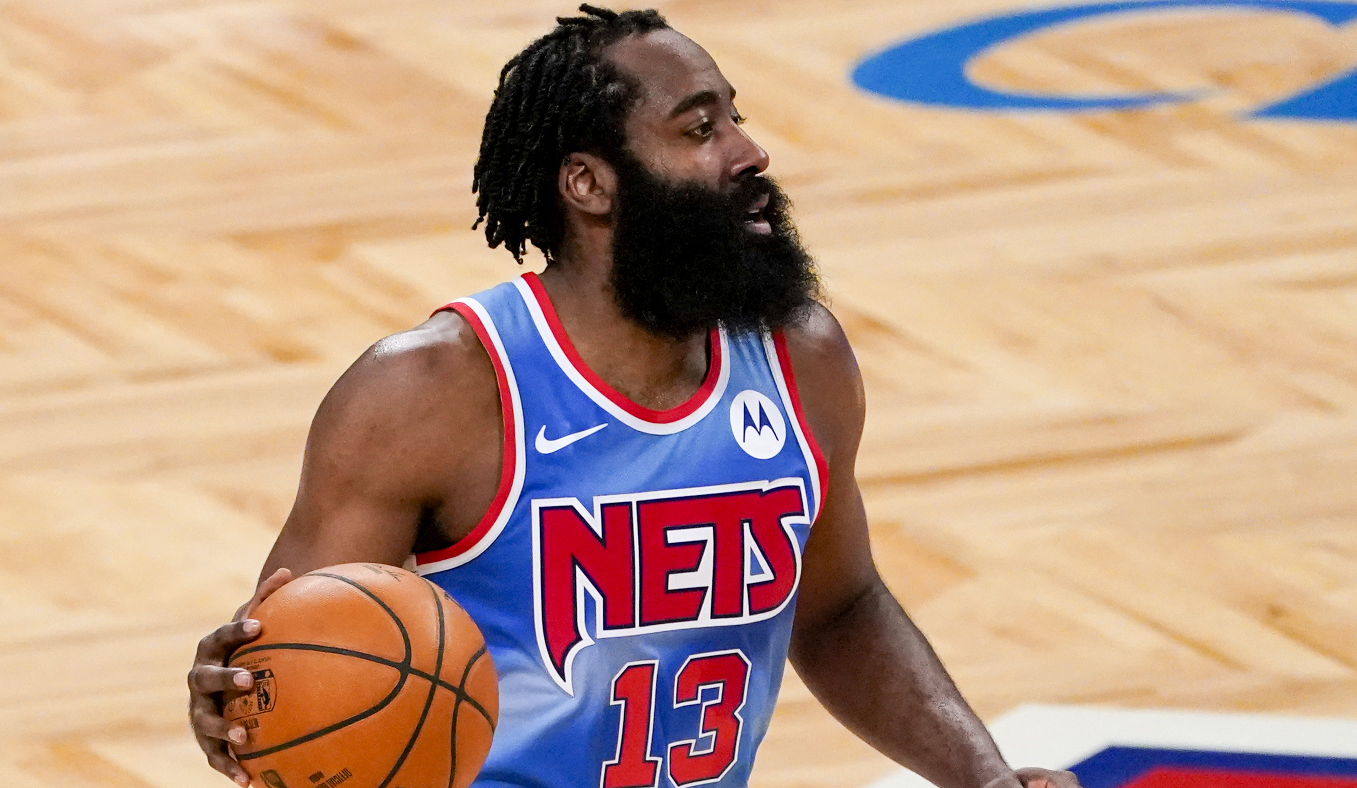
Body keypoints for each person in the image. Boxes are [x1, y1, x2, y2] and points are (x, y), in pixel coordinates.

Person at [187, 6, 1082, 788]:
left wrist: (985, 776)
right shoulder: (433, 392)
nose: (749, 152)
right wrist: (237, 709)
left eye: (734, 119)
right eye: (699, 129)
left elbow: (839, 610)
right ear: (589, 183)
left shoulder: (800, 359)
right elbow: (288, 684)